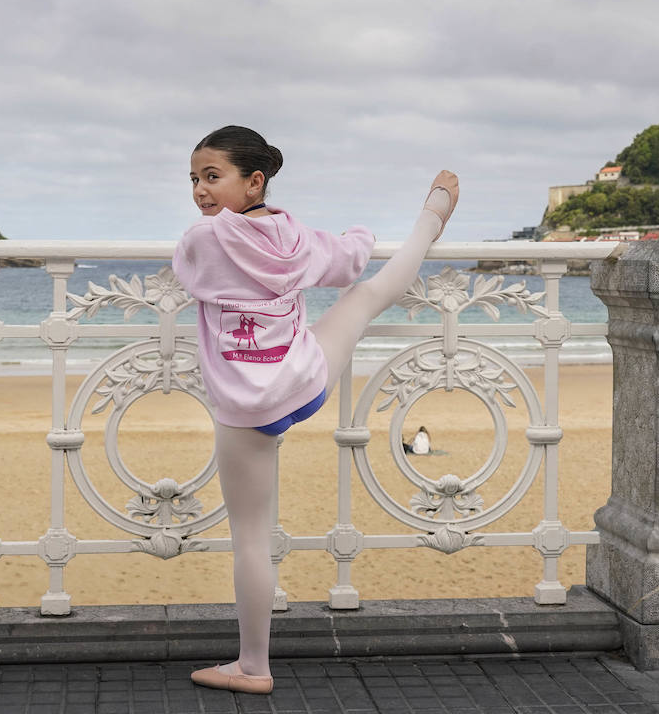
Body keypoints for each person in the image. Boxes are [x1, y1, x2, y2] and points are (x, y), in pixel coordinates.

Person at [172, 125, 458, 694]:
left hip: (244, 409)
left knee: (250, 536)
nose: (201, 191)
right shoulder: (293, 236)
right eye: (194, 180)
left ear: (253, 181)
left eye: (212, 176)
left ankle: (253, 666)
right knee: (368, 297)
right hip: (305, 379)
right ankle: (432, 216)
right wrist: (357, 235)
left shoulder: (203, 241)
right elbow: (349, 263)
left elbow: (188, 272)